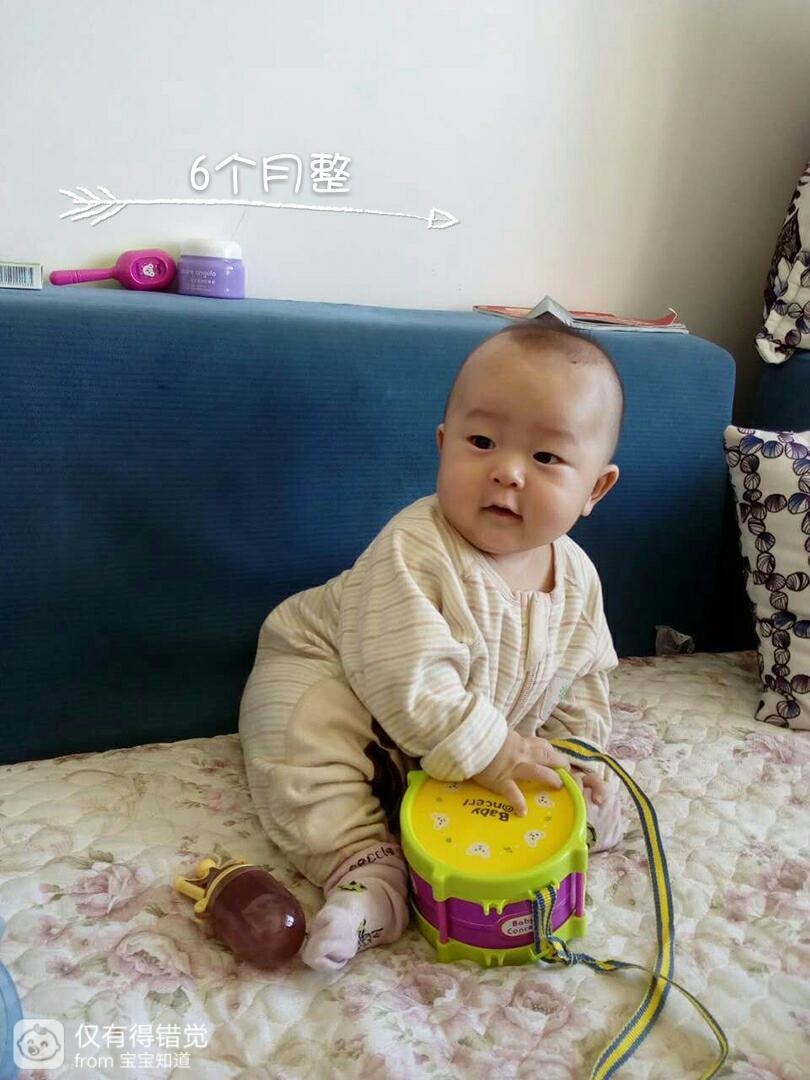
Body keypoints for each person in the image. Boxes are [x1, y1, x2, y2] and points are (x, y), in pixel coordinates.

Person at [239, 322, 624, 972]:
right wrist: (493, 750)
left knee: (553, 789)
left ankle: (463, 795)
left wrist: (576, 765)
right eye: (482, 442)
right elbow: (406, 677)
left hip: (440, 738)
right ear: (444, 446)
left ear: (595, 489)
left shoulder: (579, 579)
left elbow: (580, 682)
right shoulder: (413, 548)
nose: (507, 472)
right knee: (302, 732)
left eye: (546, 457)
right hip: (335, 672)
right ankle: (366, 874)